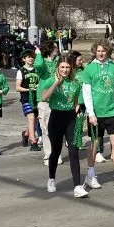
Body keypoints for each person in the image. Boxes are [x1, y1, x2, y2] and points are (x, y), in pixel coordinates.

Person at [80, 41, 114, 191]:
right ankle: (90, 175)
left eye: (103, 51)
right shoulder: (89, 69)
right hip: (96, 114)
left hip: (112, 112)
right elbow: (87, 94)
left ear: (108, 52)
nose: (101, 53)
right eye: (98, 51)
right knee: (94, 144)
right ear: (95, 52)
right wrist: (91, 113)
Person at [41, 58, 88, 198]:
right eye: (62, 67)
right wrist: (56, 83)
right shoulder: (50, 80)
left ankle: (77, 186)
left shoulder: (75, 82)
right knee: (55, 151)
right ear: (57, 67)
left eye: (67, 67)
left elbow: (75, 101)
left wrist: (77, 112)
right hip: (56, 117)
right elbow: (44, 97)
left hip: (70, 118)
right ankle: (51, 179)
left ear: (71, 68)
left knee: (74, 151)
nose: (65, 70)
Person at [15, 50, 42, 153]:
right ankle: (33, 142)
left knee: (35, 120)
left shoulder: (37, 70)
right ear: (24, 59)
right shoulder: (21, 71)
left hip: (37, 98)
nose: (30, 58)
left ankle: (26, 134)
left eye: (32, 57)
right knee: (31, 118)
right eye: (28, 57)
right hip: (26, 98)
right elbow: (18, 87)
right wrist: (28, 90)